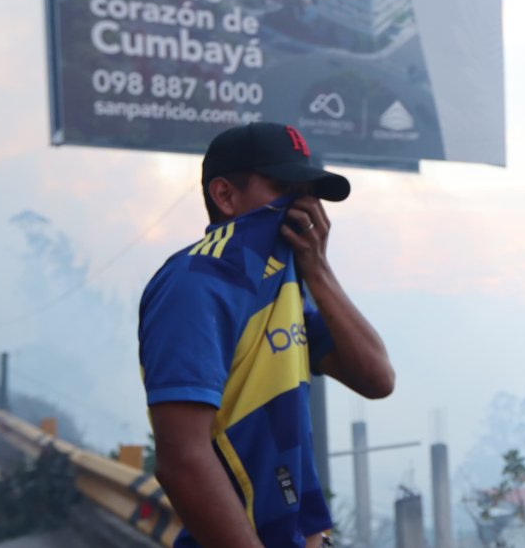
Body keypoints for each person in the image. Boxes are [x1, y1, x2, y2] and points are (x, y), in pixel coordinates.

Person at [138, 122, 395, 548]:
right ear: (224, 195)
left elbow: (376, 378)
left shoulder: (285, 284)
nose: (304, 206)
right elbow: (182, 459)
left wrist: (318, 267)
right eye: (284, 188)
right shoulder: (195, 283)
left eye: (309, 193)